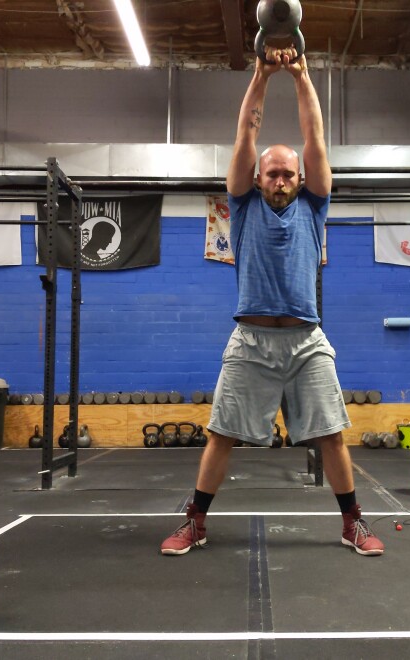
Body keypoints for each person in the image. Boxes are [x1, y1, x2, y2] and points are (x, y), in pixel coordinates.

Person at [160, 47, 384, 557]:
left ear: (301, 179)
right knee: (221, 434)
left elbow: (315, 138)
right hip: (252, 339)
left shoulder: (315, 203)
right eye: (272, 174)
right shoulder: (241, 205)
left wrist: (303, 76)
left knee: (332, 435)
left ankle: (352, 523)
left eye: (288, 174)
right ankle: (194, 522)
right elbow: (245, 135)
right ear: (258, 179)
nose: (280, 180)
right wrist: (260, 75)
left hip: (307, 339)